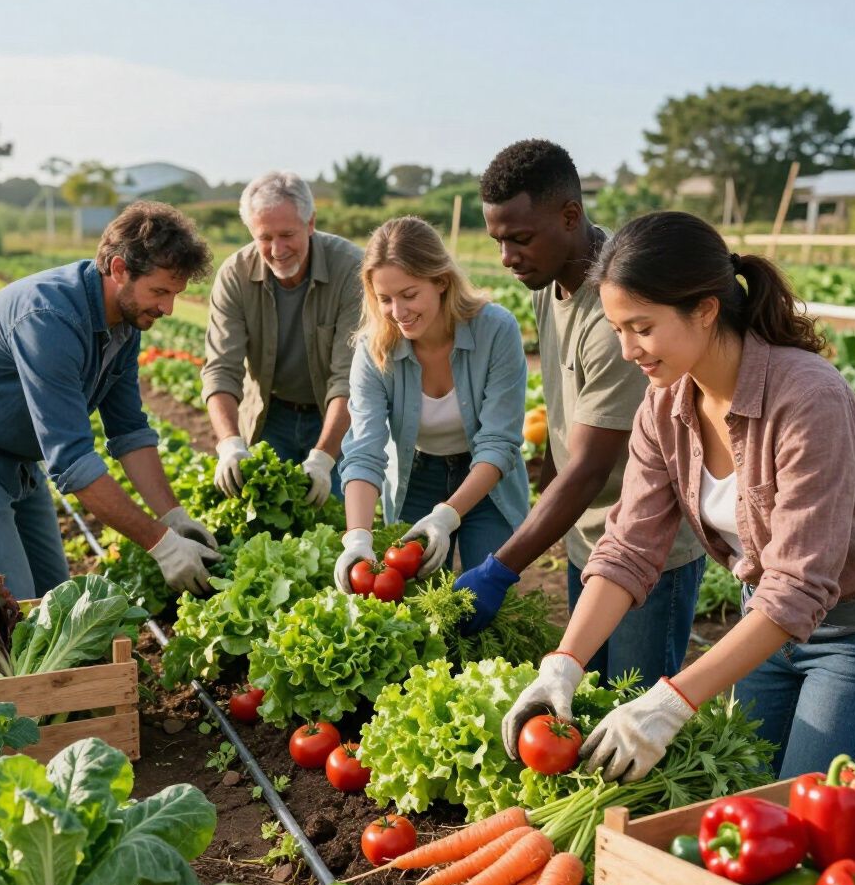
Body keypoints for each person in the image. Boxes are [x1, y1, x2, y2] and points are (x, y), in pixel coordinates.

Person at [503, 210, 855, 781]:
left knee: (802, 818)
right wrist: (563, 664)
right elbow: (628, 549)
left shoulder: (807, 399)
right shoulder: (664, 407)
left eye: (641, 327)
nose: (628, 350)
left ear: (706, 309)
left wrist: (671, 702)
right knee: (743, 804)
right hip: (761, 626)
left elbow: (800, 582)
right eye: (618, 329)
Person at [457, 139, 705, 689]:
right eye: (498, 240)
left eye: (519, 239)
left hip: (648, 550)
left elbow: (592, 464)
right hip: (587, 533)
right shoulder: (549, 283)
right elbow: (563, 416)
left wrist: (502, 565)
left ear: (570, 216)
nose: (507, 257)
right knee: (584, 696)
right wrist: (540, 523)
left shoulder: (616, 308)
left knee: (630, 706)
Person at [0, 201, 222, 599]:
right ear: (119, 269)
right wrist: (161, 545)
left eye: (174, 294)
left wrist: (173, 518)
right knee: (11, 608)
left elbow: (129, 430)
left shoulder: (125, 324)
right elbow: (71, 460)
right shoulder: (49, 316)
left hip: (16, 452)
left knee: (55, 598)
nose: (167, 308)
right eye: (159, 291)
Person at [334, 216, 530, 588]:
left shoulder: (496, 330)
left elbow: (499, 443)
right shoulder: (374, 350)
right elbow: (364, 449)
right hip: (416, 478)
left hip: (487, 481)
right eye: (385, 299)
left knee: (488, 595)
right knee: (417, 603)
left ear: (441, 281)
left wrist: (448, 515)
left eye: (409, 295)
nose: (398, 312)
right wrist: (357, 536)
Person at [201, 171, 362, 506]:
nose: (277, 249)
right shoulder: (235, 276)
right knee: (267, 519)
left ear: (311, 223)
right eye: (265, 237)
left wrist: (323, 458)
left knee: (332, 519)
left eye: (288, 234)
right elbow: (221, 370)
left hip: (333, 418)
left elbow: (348, 378)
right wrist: (230, 443)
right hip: (270, 414)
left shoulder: (351, 269)